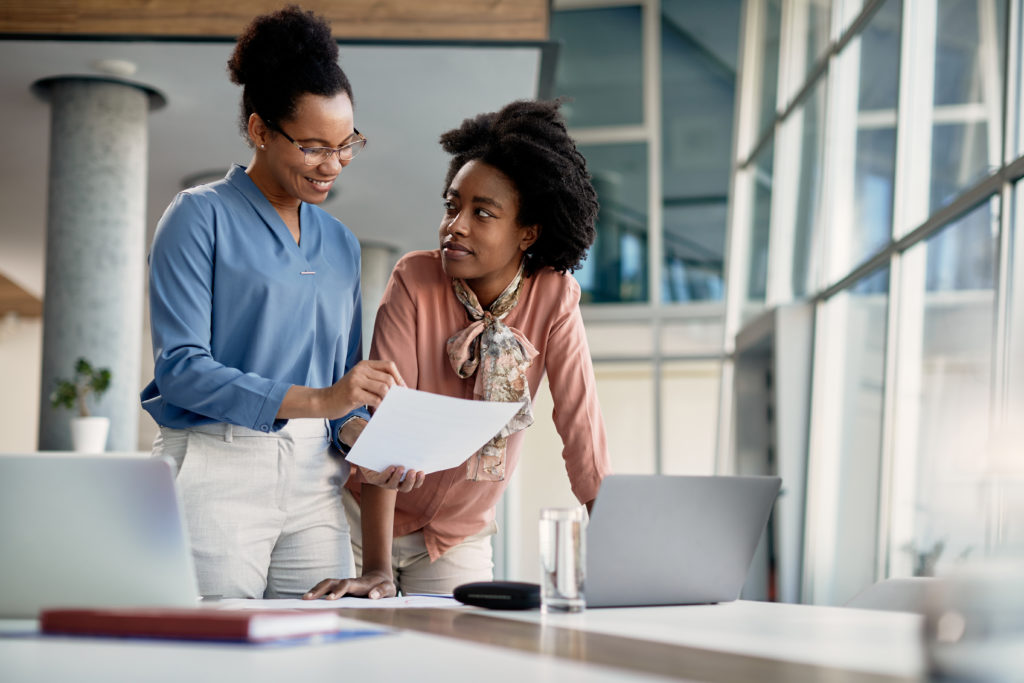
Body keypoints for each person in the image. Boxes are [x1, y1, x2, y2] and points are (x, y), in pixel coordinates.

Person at [141, 5, 412, 600]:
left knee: (320, 648)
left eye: (347, 146)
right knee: (219, 654)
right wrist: (324, 399)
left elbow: (345, 389)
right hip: (218, 467)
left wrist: (366, 440)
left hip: (316, 478)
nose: (332, 165)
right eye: (314, 146)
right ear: (261, 130)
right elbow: (181, 369)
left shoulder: (339, 243)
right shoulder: (198, 216)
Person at [306, 99, 613, 598]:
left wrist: (619, 548)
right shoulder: (415, 279)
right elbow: (388, 420)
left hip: (456, 536)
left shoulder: (555, 298)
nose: (456, 225)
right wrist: (378, 568)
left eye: (482, 213)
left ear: (527, 232)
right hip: (364, 522)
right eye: (452, 206)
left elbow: (582, 433)